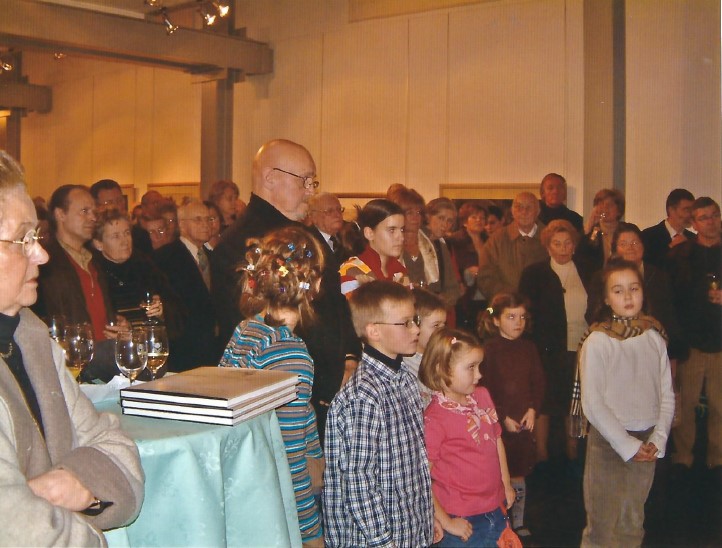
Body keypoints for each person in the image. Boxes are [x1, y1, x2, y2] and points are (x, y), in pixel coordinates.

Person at [0, 150, 144, 544]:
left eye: (37, 238)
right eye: (22, 240)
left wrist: (75, 480)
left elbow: (115, 446)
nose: (41, 255)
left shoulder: (30, 338)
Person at [219, 226, 324, 544]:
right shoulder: (289, 353)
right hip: (275, 499)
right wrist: (310, 533)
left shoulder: (248, 328)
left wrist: (316, 454)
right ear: (313, 283)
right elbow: (289, 458)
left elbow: (298, 415)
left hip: (247, 480)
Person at [323, 280, 436, 547]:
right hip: (375, 538)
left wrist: (427, 521)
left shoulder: (406, 379)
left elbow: (416, 462)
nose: (416, 329)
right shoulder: (363, 396)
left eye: (416, 320)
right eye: (406, 323)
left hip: (408, 528)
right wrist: (383, 541)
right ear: (374, 330)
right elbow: (359, 480)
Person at [575, 258, 674, 547]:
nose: (628, 296)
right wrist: (627, 445)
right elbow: (592, 403)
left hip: (647, 442)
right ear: (606, 298)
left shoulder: (654, 336)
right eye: (618, 291)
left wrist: (659, 437)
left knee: (632, 523)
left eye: (634, 288)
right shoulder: (598, 341)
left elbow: (666, 394)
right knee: (602, 526)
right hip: (609, 443)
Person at [211, 139, 318, 343]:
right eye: (304, 180)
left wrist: (348, 356)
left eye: (313, 181)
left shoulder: (306, 235)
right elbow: (249, 330)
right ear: (270, 178)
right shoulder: (237, 245)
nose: (311, 190)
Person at [420, 327, 516, 547]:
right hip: (462, 520)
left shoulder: (481, 396)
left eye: (479, 366)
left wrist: (506, 483)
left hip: (495, 508)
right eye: (471, 368)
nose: (479, 374)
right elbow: (422, 477)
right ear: (441, 369)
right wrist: (446, 521)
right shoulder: (435, 419)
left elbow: (496, 439)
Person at [34, 184, 128, 382]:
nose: (93, 218)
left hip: (102, 368)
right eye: (84, 211)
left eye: (94, 211)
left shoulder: (95, 261)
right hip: (72, 366)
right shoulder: (45, 262)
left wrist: (119, 325)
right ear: (60, 214)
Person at [519, 220, 593, 463]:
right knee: (546, 399)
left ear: (574, 246)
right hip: (547, 348)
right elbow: (527, 314)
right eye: (557, 243)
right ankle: (540, 451)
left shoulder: (588, 269)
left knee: (576, 399)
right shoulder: (534, 273)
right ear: (548, 246)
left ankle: (573, 448)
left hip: (582, 345)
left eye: (568, 243)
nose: (563, 248)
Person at [478, 293, 545, 537]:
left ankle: (517, 520)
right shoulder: (489, 350)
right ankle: (499, 519)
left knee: (518, 471)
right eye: (510, 317)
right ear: (496, 321)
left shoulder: (529, 348)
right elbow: (486, 388)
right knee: (497, 471)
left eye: (522, 317)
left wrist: (532, 409)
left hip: (522, 421)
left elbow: (538, 382)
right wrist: (502, 416)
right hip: (498, 422)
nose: (518, 322)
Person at [667, 197, 722, 472]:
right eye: (703, 217)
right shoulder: (681, 254)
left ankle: (718, 457)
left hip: (721, 343)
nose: (710, 222)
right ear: (694, 223)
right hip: (691, 344)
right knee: (685, 406)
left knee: (721, 407)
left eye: (714, 215)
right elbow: (673, 300)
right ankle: (683, 456)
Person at [305, 192, 361, 438]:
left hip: (343, 331)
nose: (338, 215)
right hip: (323, 336)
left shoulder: (341, 243)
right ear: (313, 216)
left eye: (339, 210)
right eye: (330, 211)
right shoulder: (312, 245)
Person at [154, 200, 217, 371]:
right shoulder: (166, 257)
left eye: (208, 219)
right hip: (183, 350)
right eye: (198, 220)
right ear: (182, 224)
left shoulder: (213, 257)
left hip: (211, 350)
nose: (205, 225)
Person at [477, 192, 547, 298]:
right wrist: (509, 297)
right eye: (519, 207)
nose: (524, 212)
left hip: (542, 308)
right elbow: (485, 277)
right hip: (506, 306)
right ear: (512, 211)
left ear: (538, 211)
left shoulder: (549, 239)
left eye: (529, 207)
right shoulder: (496, 240)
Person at [339, 199, 409, 295]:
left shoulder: (399, 271)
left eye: (402, 230)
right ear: (369, 233)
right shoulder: (351, 270)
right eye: (392, 230)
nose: (401, 237)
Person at [447, 202, 488, 331]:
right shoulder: (456, 240)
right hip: (465, 294)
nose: (479, 220)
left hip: (486, 292)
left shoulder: (490, 240)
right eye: (474, 217)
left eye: (482, 218)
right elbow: (454, 266)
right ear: (465, 221)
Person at [403, 288, 447, 405]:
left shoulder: (442, 356)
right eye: (436, 325)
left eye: (443, 325)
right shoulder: (407, 366)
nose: (441, 331)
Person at [423, 197, 463, 321]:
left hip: (442, 310)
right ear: (428, 216)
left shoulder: (443, 244)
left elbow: (453, 286)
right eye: (441, 218)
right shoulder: (417, 242)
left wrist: (446, 299)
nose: (445, 225)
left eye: (449, 221)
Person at [386, 184, 433, 288]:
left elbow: (450, 287)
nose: (416, 217)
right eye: (410, 213)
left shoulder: (433, 243)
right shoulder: (387, 245)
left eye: (418, 212)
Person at [641, 188, 696, 269]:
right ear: (671, 210)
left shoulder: (693, 238)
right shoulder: (648, 236)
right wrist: (671, 247)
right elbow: (647, 267)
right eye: (686, 210)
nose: (691, 215)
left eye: (692, 210)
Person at [577, 188, 625, 271]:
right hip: (597, 280)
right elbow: (579, 256)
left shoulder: (627, 230)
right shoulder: (591, 231)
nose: (605, 208)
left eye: (609, 205)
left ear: (619, 210)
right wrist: (589, 226)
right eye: (601, 204)